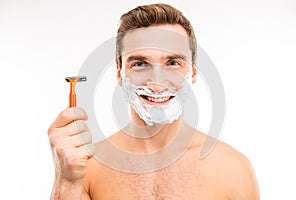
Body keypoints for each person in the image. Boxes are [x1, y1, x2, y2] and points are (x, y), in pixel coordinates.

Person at [48, 3, 260, 199]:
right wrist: (66, 183)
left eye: (173, 63)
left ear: (193, 73)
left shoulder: (233, 169)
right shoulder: (89, 168)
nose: (157, 83)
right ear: (120, 74)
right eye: (140, 64)